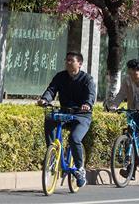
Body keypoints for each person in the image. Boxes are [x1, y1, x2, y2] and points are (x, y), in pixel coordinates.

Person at [36, 51, 96, 188]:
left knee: (74, 138)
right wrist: (45, 99)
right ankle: (53, 152)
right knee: (50, 118)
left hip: (81, 115)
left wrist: (87, 104)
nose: (68, 63)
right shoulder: (60, 76)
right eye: (66, 60)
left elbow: (91, 95)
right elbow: (51, 90)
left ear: (79, 64)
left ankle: (80, 169)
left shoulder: (87, 79)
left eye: (71, 60)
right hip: (65, 112)